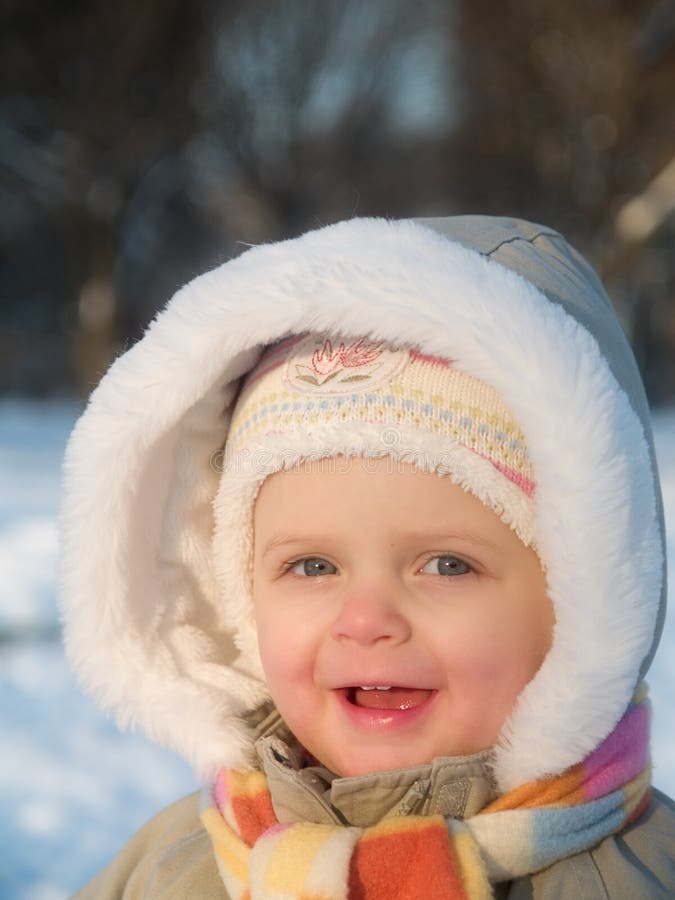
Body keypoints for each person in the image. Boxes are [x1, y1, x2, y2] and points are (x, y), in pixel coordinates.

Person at [60, 216, 675, 898]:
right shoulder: (176, 865)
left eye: (445, 565)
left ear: (581, 596)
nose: (365, 620)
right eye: (312, 566)